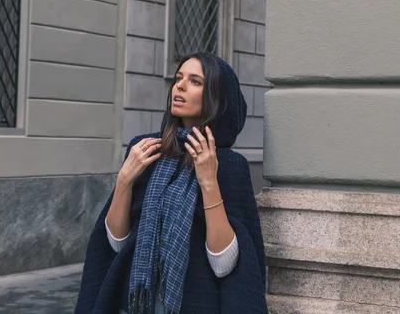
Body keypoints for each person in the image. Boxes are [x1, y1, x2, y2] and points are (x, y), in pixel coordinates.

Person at [75, 53, 268, 314]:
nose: (180, 86)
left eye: (195, 81)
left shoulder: (230, 166)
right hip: (134, 303)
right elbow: (117, 244)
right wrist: (124, 181)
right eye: (179, 78)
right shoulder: (145, 150)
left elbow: (225, 264)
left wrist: (209, 181)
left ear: (216, 97)